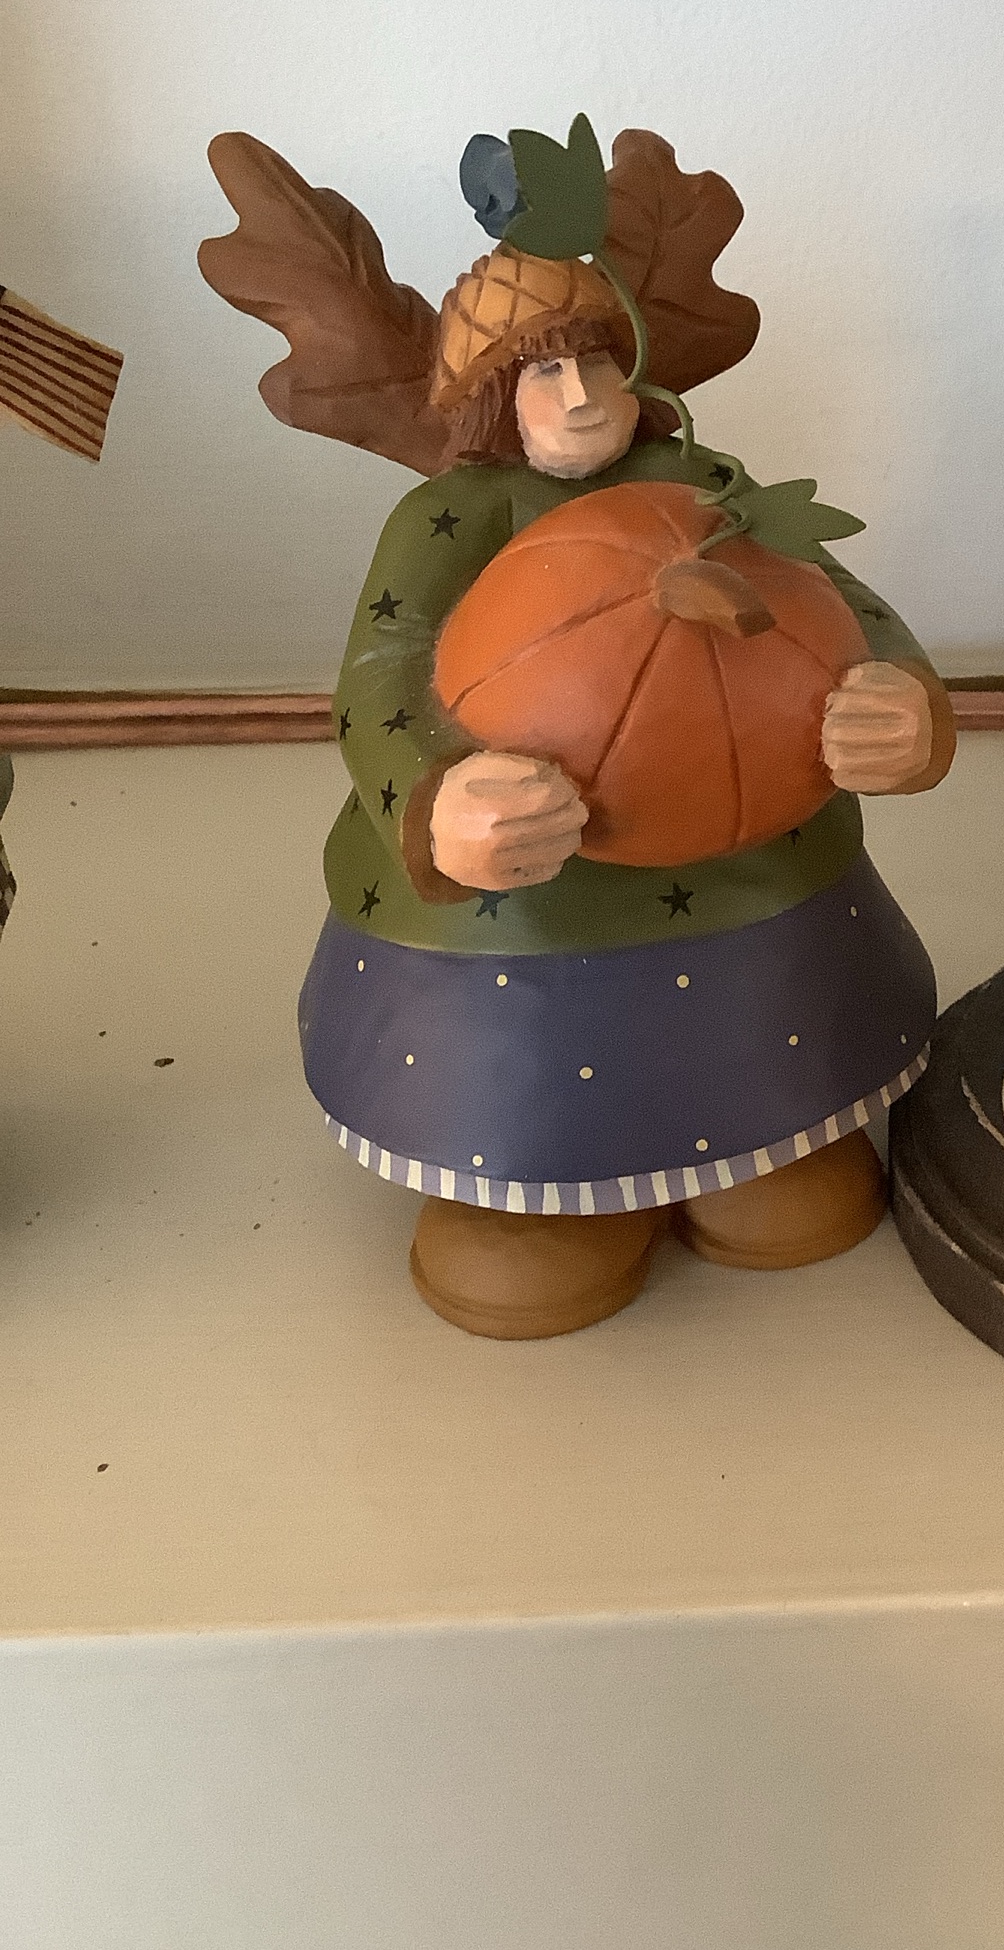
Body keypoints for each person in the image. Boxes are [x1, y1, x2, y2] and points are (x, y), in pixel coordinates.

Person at [295, 246, 953, 1338]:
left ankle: (766, 1139)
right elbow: (379, 673)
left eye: (600, 361)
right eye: (543, 372)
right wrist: (436, 798)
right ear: (490, 399)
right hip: (533, 893)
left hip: (754, 859)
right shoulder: (450, 517)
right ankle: (530, 1188)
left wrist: (902, 700)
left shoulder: (709, 483)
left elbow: (834, 593)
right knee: (539, 1074)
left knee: (760, 1035)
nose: (582, 396)